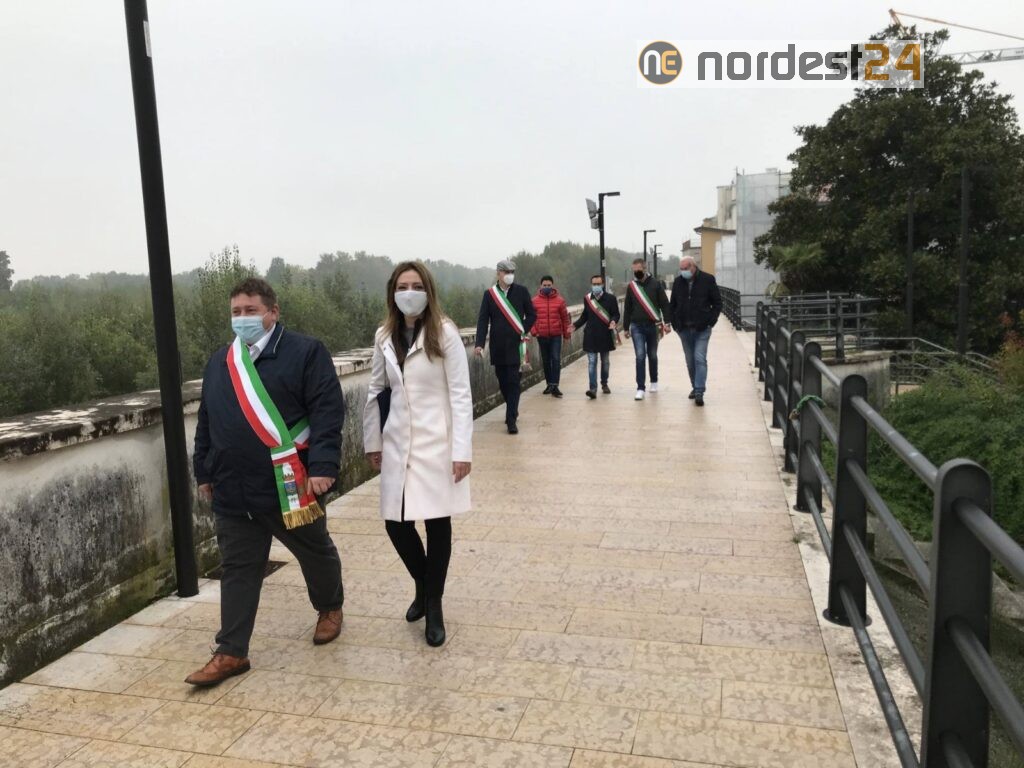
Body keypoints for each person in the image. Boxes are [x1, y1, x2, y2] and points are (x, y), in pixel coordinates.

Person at [188, 277, 345, 687]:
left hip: (290, 484)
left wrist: (324, 465)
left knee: (314, 551)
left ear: (273, 312)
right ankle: (231, 651)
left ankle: (330, 607)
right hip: (233, 488)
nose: (242, 318)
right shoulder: (221, 362)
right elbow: (207, 420)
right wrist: (204, 470)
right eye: (236, 312)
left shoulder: (306, 352)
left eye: (251, 310)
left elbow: (327, 411)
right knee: (238, 568)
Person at [363, 261, 473, 647]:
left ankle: (434, 603)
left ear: (428, 290)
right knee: (396, 523)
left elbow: (460, 394)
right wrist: (373, 441)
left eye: (416, 286)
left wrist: (461, 450)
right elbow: (376, 390)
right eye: (402, 286)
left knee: (437, 523)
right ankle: (423, 583)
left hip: (437, 442)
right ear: (392, 293)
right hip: (397, 441)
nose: (409, 293)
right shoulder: (384, 335)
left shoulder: (445, 333)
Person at [474, 259, 537, 434]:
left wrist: (523, 329)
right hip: (498, 346)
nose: (510, 275)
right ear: (498, 273)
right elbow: (482, 320)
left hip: (517, 346)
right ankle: (512, 408)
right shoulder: (490, 295)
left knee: (514, 382)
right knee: (503, 382)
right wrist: (479, 344)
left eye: (512, 272)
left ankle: (511, 420)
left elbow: (532, 314)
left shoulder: (522, 291)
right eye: (506, 272)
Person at [669, 256, 722, 407]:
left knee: (699, 358)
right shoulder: (678, 282)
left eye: (685, 268)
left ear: (693, 266)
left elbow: (717, 303)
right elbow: (672, 305)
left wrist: (711, 321)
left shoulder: (708, 280)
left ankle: (699, 391)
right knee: (690, 361)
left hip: (702, 329)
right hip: (684, 329)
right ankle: (695, 386)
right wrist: (675, 324)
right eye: (681, 269)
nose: (683, 271)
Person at [622, 257, 671, 401]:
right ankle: (640, 388)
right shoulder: (632, 287)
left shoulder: (656, 284)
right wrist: (625, 327)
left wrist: (667, 322)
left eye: (639, 270)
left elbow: (665, 304)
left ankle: (654, 381)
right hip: (636, 326)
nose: (636, 272)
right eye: (634, 270)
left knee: (652, 355)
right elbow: (627, 308)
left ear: (645, 269)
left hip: (653, 326)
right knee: (640, 356)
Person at [573, 274, 620, 398]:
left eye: (598, 284)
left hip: (605, 335)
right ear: (591, 285)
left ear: (603, 284)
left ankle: (604, 383)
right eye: (594, 284)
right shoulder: (587, 299)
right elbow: (585, 316)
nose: (596, 286)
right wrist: (575, 325)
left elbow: (616, 314)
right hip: (591, 335)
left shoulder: (611, 298)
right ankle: (592, 389)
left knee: (605, 362)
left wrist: (613, 321)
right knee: (592, 362)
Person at [530, 275, 572, 398]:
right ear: (541, 286)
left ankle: (555, 385)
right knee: (546, 360)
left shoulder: (560, 301)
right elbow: (530, 318)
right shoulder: (534, 301)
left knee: (556, 359)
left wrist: (567, 334)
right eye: (545, 285)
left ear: (552, 286)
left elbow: (565, 319)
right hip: (541, 335)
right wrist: (534, 331)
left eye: (549, 285)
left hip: (556, 335)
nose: (547, 287)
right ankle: (549, 384)